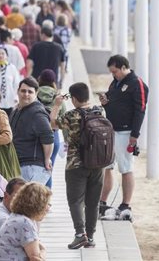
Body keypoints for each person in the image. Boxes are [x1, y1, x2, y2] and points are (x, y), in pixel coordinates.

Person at [51, 82, 103, 249]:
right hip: (97, 163)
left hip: (76, 164)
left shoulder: (71, 115)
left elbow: (52, 123)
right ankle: (91, 237)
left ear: (73, 98)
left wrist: (57, 105)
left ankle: (80, 235)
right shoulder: (99, 112)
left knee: (75, 201)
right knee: (93, 202)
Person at [98, 54, 148, 221]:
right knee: (108, 166)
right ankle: (102, 201)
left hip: (126, 132)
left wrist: (135, 135)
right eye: (111, 72)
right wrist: (106, 101)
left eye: (115, 71)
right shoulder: (116, 82)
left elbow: (140, 110)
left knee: (126, 167)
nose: (113, 74)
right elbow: (114, 99)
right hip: (112, 129)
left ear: (124, 67)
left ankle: (126, 203)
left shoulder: (137, 83)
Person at [9, 77, 54, 185]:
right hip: (19, 165)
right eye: (23, 91)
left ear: (36, 93)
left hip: (32, 168)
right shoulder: (17, 110)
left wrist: (47, 159)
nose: (26, 94)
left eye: (30, 92)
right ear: (18, 91)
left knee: (28, 201)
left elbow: (48, 138)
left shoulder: (37, 113)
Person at [0, 182, 51, 261]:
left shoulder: (15, 217)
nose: (48, 208)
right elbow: (36, 259)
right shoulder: (25, 223)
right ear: (37, 205)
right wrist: (44, 251)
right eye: (46, 203)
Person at [37, 69, 64, 189]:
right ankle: (46, 203)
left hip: (37, 136)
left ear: (40, 79)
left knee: (36, 169)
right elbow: (64, 119)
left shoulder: (34, 93)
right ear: (54, 81)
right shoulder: (58, 97)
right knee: (49, 169)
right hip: (54, 136)